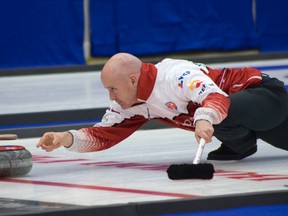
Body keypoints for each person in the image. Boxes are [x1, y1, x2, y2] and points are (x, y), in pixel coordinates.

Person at [36, 53, 288, 160]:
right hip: (241, 119)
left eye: (113, 88)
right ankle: (241, 143)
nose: (111, 97)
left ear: (132, 79)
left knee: (216, 111)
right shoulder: (129, 104)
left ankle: (241, 143)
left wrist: (203, 118)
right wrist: (65, 138)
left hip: (265, 97)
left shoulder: (175, 75)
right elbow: (102, 135)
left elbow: (216, 97)